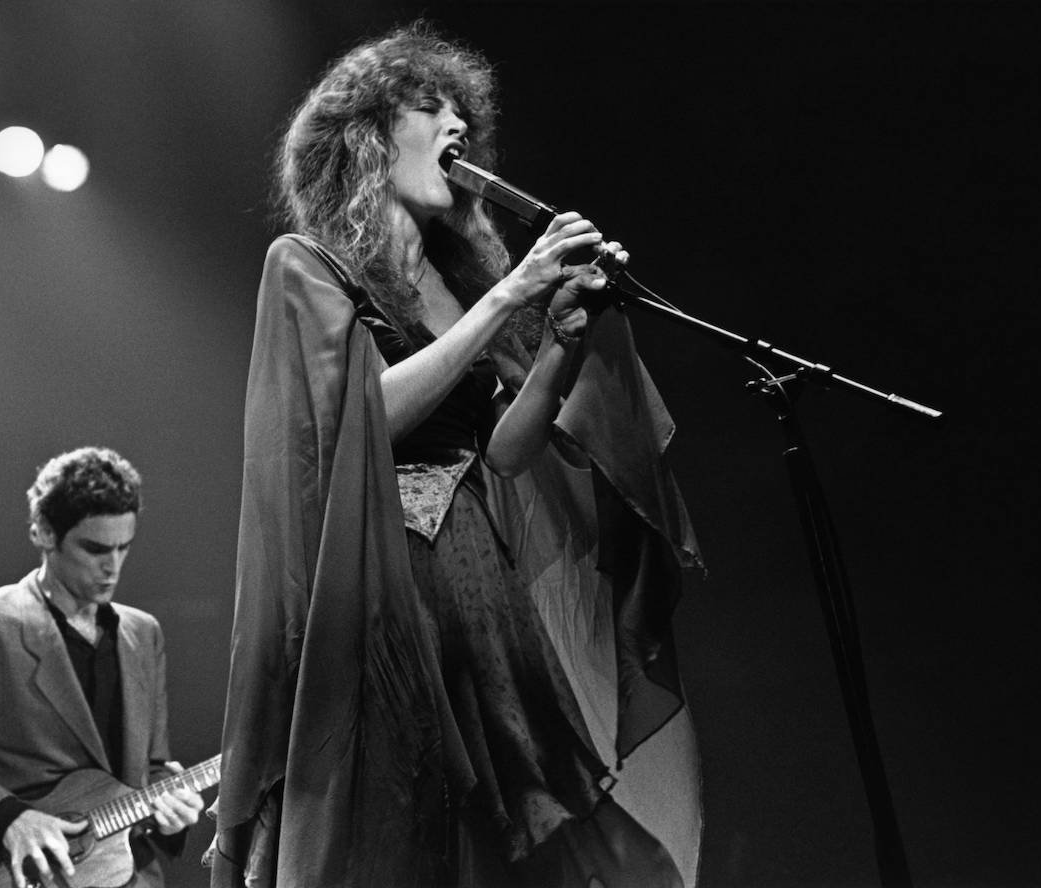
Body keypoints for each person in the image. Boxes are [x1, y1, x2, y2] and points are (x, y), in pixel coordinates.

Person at [210, 22, 705, 888]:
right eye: (429, 107)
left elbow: (507, 454)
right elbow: (364, 421)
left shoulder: (457, 286)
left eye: (462, 114)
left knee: (512, 834)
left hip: (476, 572)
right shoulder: (307, 264)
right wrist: (514, 292)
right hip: (377, 575)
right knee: (403, 817)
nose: (456, 127)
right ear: (367, 138)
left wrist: (557, 340)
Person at [0, 446, 204, 888]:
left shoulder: (143, 632)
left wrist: (173, 815)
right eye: (94, 549)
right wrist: (8, 820)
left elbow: (152, 768)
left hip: (127, 874)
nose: (113, 567)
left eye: (124, 547)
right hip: (20, 873)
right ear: (45, 533)